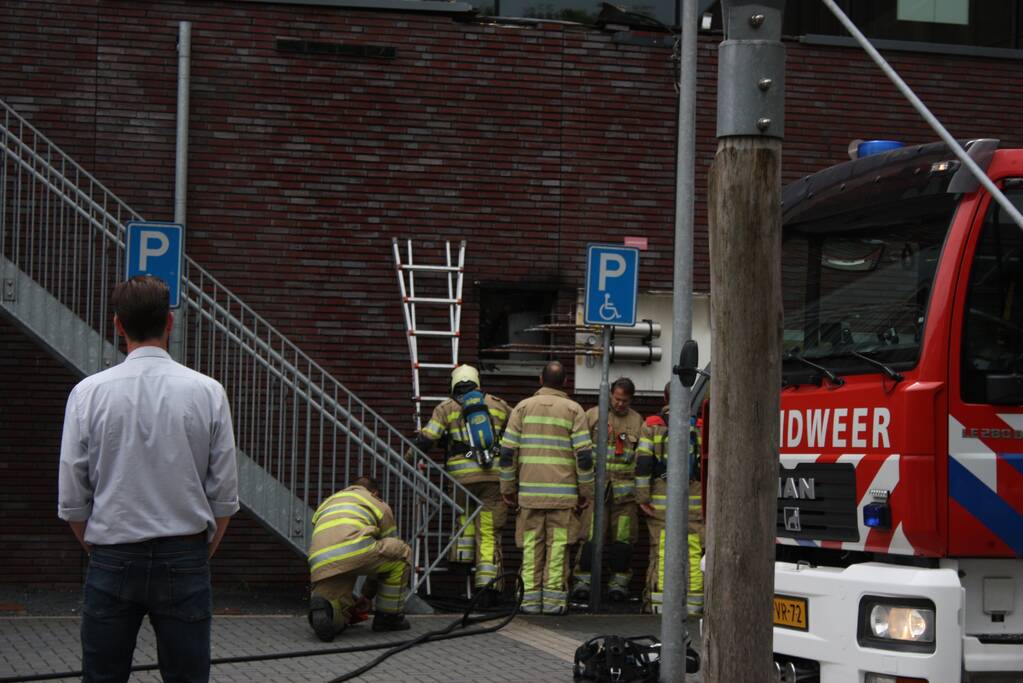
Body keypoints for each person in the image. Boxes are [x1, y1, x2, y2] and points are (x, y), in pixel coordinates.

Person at [57, 275, 239, 683]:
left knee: (102, 676)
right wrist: (197, 552)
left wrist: (99, 547)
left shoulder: (87, 393)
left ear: (117, 325)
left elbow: (72, 495)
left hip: (112, 554)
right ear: (169, 323)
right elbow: (224, 494)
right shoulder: (208, 392)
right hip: (185, 554)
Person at [499, 361, 594, 615]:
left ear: (540, 380)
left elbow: (507, 453)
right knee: (558, 547)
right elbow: (584, 457)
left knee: (531, 546)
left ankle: (529, 601)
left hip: (529, 496)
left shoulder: (522, 408)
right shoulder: (574, 410)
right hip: (563, 497)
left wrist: (507, 487)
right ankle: (553, 602)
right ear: (565, 382)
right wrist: (585, 492)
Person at [410, 365, 511, 601]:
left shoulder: (446, 408)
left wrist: (408, 457)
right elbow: (515, 434)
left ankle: (461, 560)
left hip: (460, 479)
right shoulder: (498, 405)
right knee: (488, 530)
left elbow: (428, 438)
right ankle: (487, 588)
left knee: (464, 516)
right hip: (493, 478)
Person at [307, 476, 413, 641]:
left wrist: (363, 596)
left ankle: (326, 611)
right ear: (375, 492)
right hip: (355, 550)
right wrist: (368, 595)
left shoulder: (328, 502)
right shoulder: (377, 503)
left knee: (336, 605)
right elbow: (388, 549)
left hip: (321, 559)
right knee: (401, 554)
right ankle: (388, 618)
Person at [571, 377, 643, 603]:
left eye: (625, 400)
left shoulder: (637, 421)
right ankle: (583, 583)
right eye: (617, 399)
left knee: (623, 541)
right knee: (590, 538)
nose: (620, 404)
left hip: (625, 495)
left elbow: (641, 457)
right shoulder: (593, 416)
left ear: (631, 400)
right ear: (610, 394)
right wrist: (581, 489)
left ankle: (618, 585)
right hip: (596, 491)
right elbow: (579, 452)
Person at [634, 382, 704, 616]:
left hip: (661, 500)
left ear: (665, 398)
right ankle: (694, 604)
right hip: (694, 500)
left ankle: (660, 605)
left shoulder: (652, 425)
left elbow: (643, 463)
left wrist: (642, 497)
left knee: (663, 551)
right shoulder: (699, 426)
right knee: (693, 551)